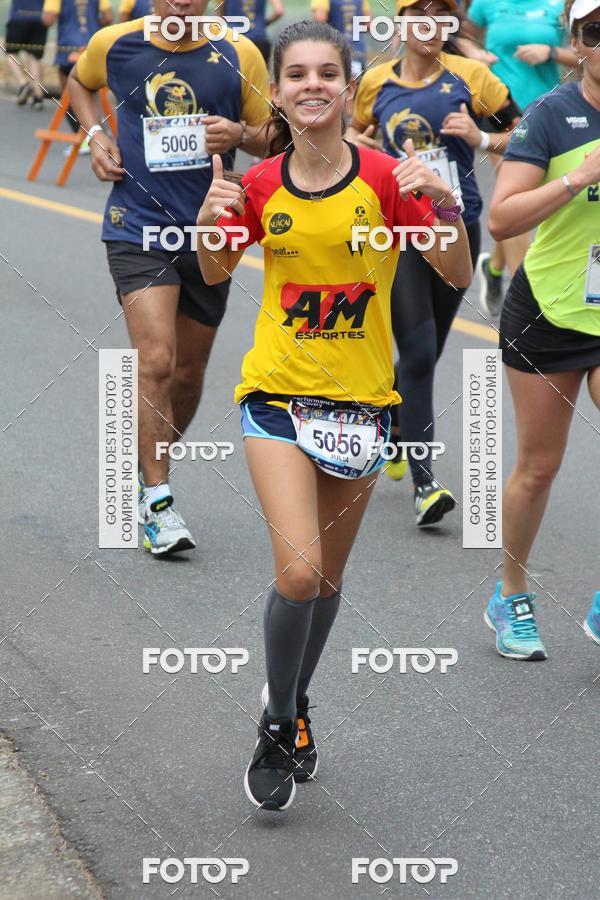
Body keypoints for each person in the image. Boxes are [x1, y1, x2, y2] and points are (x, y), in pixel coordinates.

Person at [197, 21, 473, 810]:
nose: (311, 85)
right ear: (277, 94)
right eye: (296, 75)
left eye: (327, 73)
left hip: (362, 407)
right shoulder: (255, 186)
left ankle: (295, 702)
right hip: (277, 398)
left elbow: (450, 268)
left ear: (349, 87)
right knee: (300, 570)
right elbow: (214, 269)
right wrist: (212, 223)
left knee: (327, 581)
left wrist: (444, 206)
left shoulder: (388, 179)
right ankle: (279, 719)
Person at [68, 0, 271, 556]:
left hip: (211, 227)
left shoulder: (239, 52)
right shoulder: (116, 43)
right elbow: (78, 83)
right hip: (137, 225)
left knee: (187, 371)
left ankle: (145, 467)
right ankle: (157, 501)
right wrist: (95, 136)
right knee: (156, 359)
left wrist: (238, 134)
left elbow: (273, 136)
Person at [347, 0, 519, 526]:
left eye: (441, 13)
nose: (429, 22)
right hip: (400, 232)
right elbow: (355, 135)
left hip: (455, 229)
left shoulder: (472, 77)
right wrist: (362, 146)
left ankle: (396, 423)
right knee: (419, 353)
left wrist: (481, 137)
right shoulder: (376, 83)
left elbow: (529, 135)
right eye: (418, 11)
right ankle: (427, 485)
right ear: (399, 22)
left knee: (429, 352)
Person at [485, 0, 600, 659]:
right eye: (595, 32)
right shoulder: (553, 117)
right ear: (575, 44)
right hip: (551, 309)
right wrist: (579, 177)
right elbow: (502, 220)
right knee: (539, 465)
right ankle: (511, 593)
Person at [465, 0, 580, 317]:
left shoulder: (557, 5)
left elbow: (586, 55)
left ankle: (494, 265)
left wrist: (551, 53)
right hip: (501, 112)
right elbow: (458, 32)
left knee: (537, 197)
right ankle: (524, 296)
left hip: (548, 113)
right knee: (517, 193)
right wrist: (473, 54)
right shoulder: (486, 4)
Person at [42, 0, 113, 138]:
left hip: (68, 50)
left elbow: (48, 19)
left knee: (68, 96)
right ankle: (99, 133)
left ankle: (84, 137)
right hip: (91, 46)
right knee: (94, 94)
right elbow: (108, 17)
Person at [5, 0, 48, 110]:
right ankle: (38, 96)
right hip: (39, 18)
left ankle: (23, 83)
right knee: (34, 56)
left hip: (19, 16)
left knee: (10, 52)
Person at [311, 0, 371, 80]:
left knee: (333, 82)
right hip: (358, 50)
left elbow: (320, 18)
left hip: (334, 48)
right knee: (358, 85)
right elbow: (368, 24)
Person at [222, 0, 284, 65]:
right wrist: (262, 24)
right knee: (259, 74)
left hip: (234, 40)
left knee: (233, 73)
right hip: (259, 40)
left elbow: (220, 17)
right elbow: (279, 11)